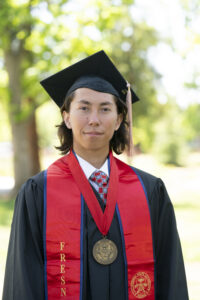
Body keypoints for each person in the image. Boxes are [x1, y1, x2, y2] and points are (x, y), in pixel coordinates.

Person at [3, 50, 189, 300]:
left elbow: (170, 276)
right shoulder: (38, 193)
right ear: (67, 117)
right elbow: (23, 282)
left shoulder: (149, 191)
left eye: (104, 109)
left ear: (118, 119)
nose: (94, 120)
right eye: (84, 108)